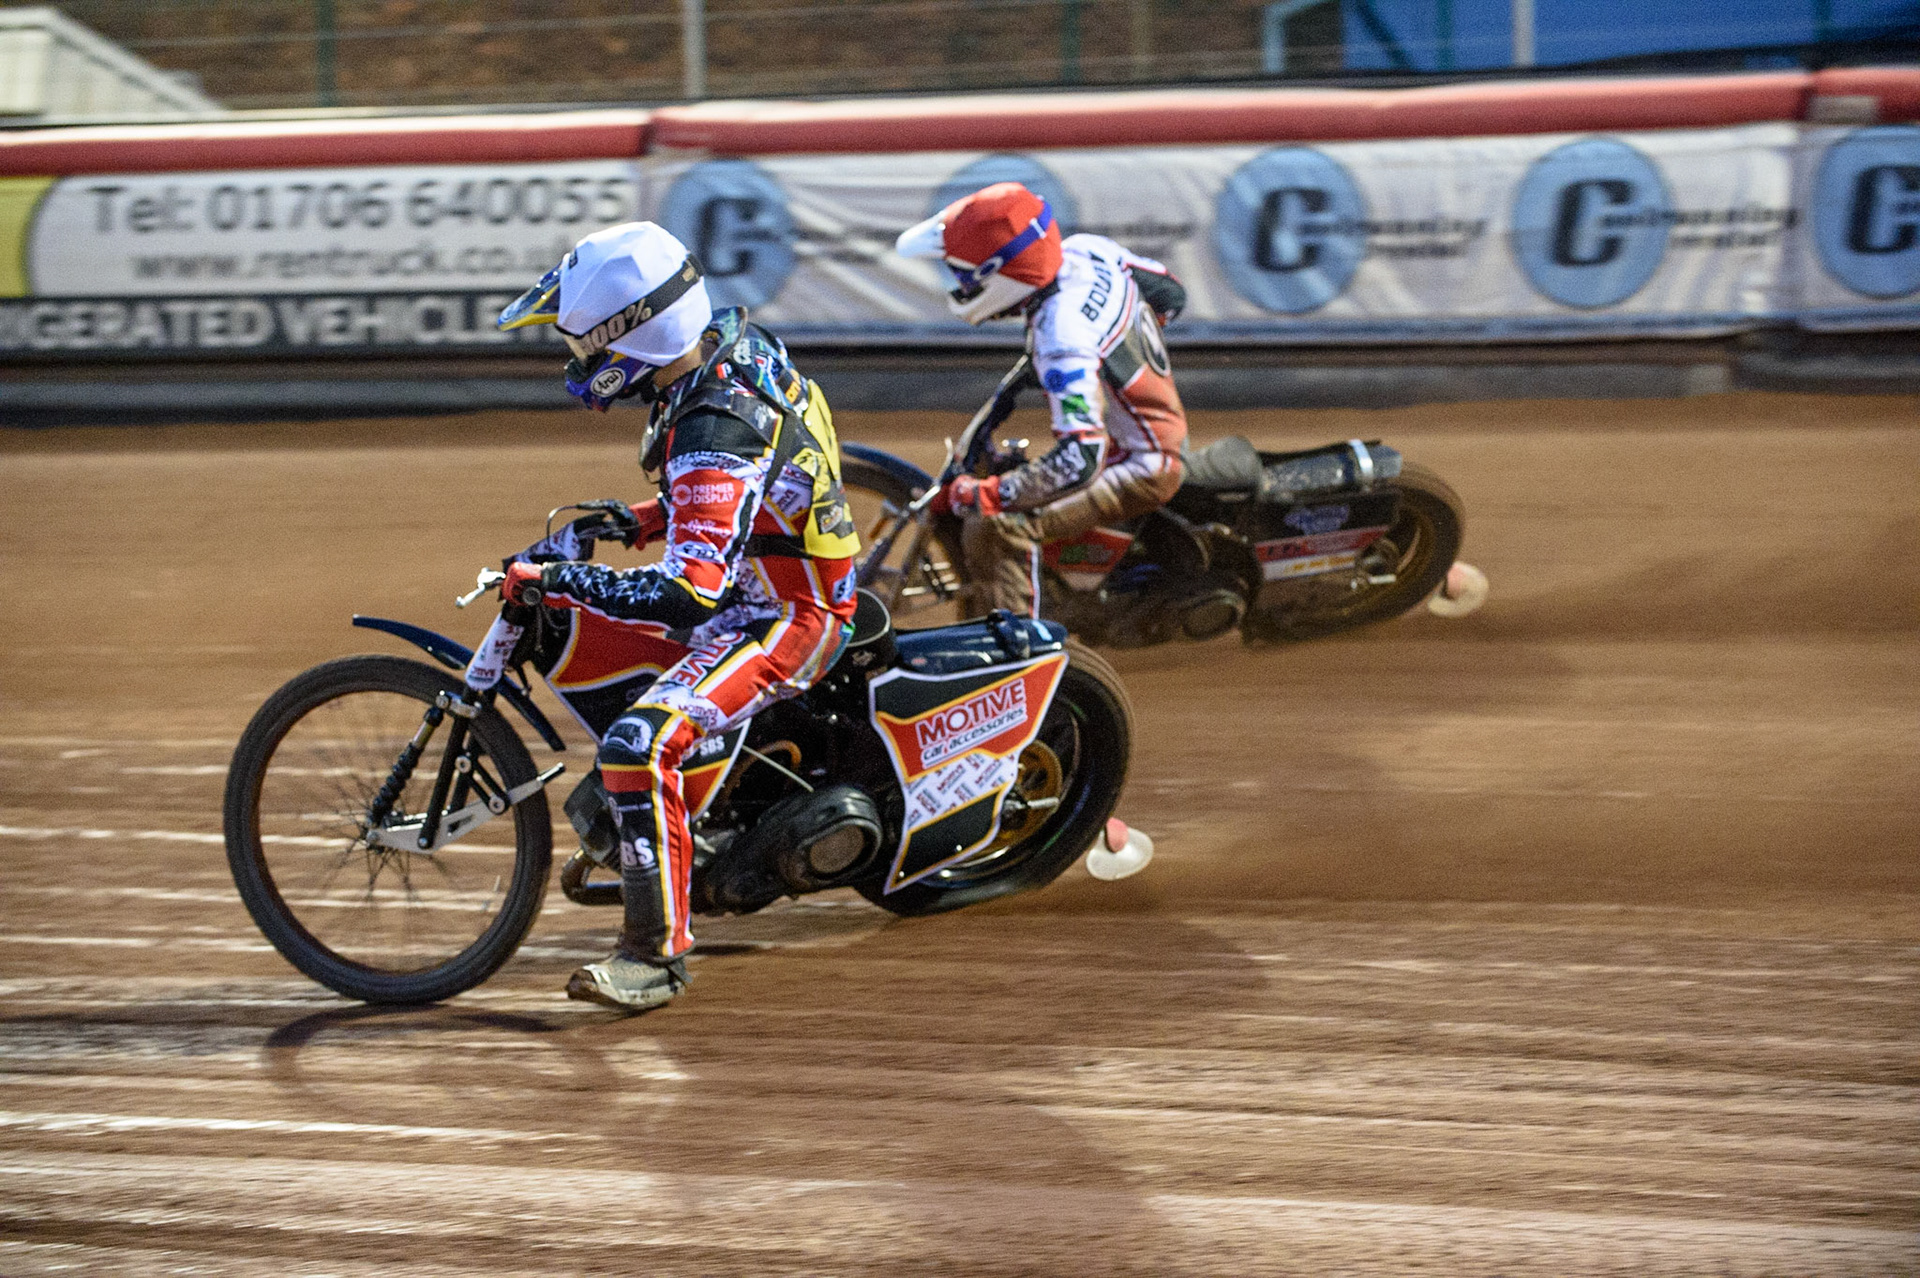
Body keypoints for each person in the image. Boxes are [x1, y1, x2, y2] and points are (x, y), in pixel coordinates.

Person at [494, 221, 861, 1012]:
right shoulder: (725, 355)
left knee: (637, 746)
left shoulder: (711, 426)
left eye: (587, 346)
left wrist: (563, 580)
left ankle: (654, 958)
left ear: (633, 336)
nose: (578, 363)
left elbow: (690, 589)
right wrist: (628, 522)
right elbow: (727, 500)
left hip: (784, 614)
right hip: (760, 577)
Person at [894, 181, 1190, 616]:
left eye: (963, 272)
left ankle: (1017, 659)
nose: (958, 282)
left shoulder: (1063, 336)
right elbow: (1170, 295)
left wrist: (986, 496)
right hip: (1135, 436)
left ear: (1003, 273)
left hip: (1142, 463)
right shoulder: (1087, 251)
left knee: (996, 525)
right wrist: (1119, 357)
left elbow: (1080, 459)